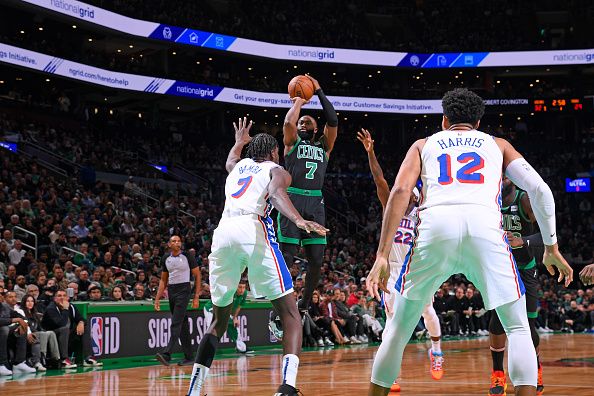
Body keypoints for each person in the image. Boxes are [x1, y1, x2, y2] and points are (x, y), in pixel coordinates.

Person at [365, 88, 573, 396]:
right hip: (485, 230)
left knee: (398, 329)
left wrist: (382, 256)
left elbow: (397, 192)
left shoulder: (424, 144)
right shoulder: (497, 145)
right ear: (478, 122)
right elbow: (541, 191)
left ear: (444, 120)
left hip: (436, 228)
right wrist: (552, 248)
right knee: (517, 328)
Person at [186, 118, 328, 396]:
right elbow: (275, 195)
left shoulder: (237, 168)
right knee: (290, 313)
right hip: (252, 228)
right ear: (274, 152)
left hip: (223, 232)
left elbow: (230, 160)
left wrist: (239, 141)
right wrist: (298, 219)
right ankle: (287, 387)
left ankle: (195, 389)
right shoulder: (278, 170)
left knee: (218, 320)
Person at [357, 129, 444, 392]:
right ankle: (390, 373)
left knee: (428, 311)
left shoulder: (423, 212)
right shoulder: (390, 207)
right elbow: (379, 179)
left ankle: (437, 352)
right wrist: (371, 153)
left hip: (417, 269)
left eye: (411, 195)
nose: (406, 197)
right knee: (392, 323)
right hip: (392, 272)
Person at [277, 75, 338, 315]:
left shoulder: (324, 146)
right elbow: (287, 125)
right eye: (301, 122)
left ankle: (304, 303)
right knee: (288, 256)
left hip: (315, 201)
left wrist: (319, 91)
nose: (303, 124)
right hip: (291, 199)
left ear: (314, 129)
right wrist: (298, 102)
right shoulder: (291, 143)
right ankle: (282, 301)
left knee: (315, 259)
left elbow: (332, 119)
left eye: (308, 122)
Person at [488, 179, 546, 395]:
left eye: (506, 174)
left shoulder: (524, 200)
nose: (502, 178)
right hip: (500, 268)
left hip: (525, 267)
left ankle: (536, 368)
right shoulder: (488, 200)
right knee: (496, 322)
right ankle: (497, 375)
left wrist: (523, 241)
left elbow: (547, 235)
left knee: (529, 327)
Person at [154, 235, 201, 366]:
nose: (177, 243)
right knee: (182, 324)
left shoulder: (188, 256)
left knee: (175, 322)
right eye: (174, 241)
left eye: (179, 241)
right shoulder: (165, 258)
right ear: (169, 244)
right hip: (172, 291)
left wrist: (196, 296)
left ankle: (167, 354)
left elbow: (197, 275)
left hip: (184, 290)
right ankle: (190, 356)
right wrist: (157, 298)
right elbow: (163, 280)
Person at [203, 280, 252, 354]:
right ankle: (206, 350)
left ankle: (241, 348)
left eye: (243, 287)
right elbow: (223, 306)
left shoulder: (244, 293)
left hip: (224, 309)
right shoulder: (230, 293)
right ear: (235, 287)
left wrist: (235, 318)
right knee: (212, 329)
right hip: (211, 308)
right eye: (240, 287)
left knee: (234, 325)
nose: (242, 289)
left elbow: (239, 306)